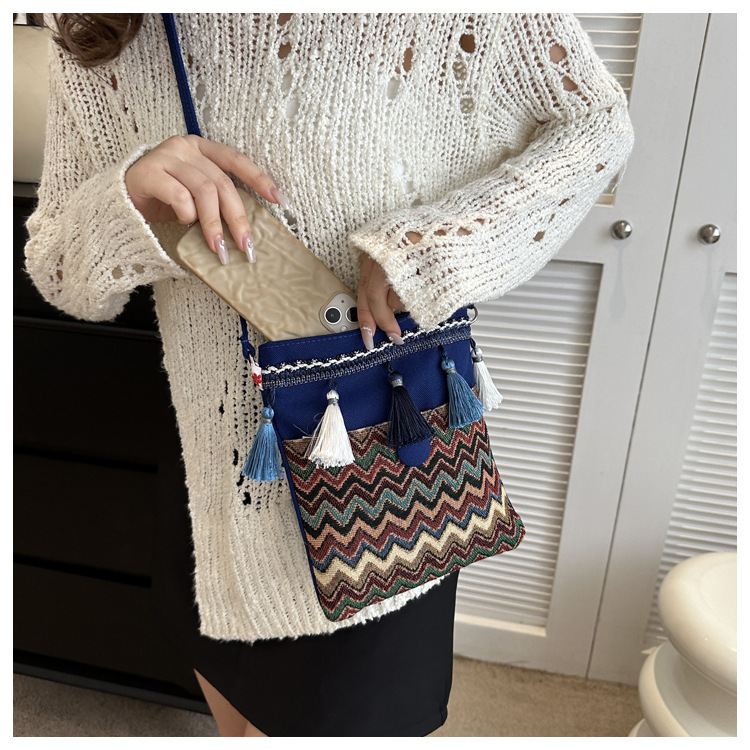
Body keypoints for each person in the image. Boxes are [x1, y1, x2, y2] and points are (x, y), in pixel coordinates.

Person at [25, 13, 634, 737]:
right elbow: (58, 270)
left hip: (380, 469)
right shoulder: (106, 27)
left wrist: (433, 247)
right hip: (211, 464)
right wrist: (128, 199)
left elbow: (596, 125)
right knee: (237, 716)